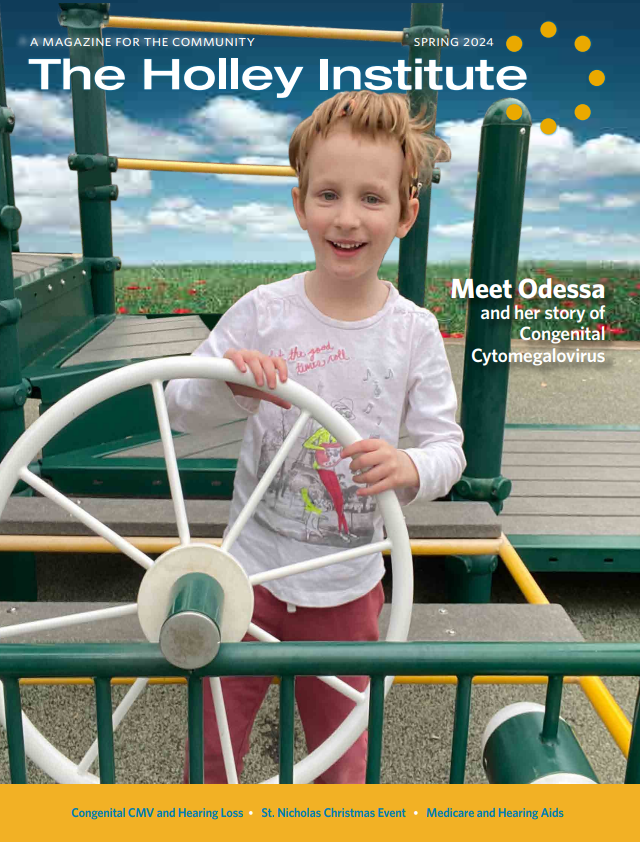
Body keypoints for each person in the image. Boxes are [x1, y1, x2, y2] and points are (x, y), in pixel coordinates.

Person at [164, 90, 466, 783]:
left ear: (405, 214)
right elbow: (181, 406)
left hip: (351, 587)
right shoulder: (263, 313)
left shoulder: (413, 331)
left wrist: (410, 467)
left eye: (371, 197)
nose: (348, 217)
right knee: (212, 750)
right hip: (247, 578)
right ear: (300, 205)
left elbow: (446, 448)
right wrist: (229, 385)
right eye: (328, 194)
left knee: (342, 760)